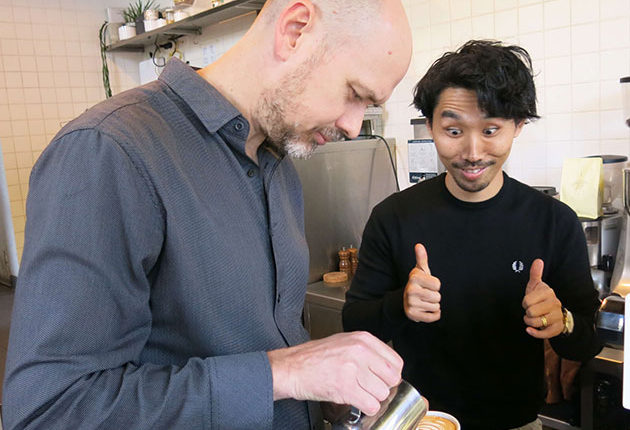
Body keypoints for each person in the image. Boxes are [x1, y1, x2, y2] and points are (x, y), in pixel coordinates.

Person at [1, 1, 413, 429]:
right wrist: (285, 372)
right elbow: (47, 411)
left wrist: (320, 392)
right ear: (295, 29)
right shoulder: (109, 150)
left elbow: (264, 347)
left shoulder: (281, 166)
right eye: (354, 94)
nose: (353, 124)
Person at [342, 40, 602, 430]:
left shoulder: (554, 222)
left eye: (491, 129)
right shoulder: (393, 216)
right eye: (453, 130)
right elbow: (354, 323)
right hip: (422, 421)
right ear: (429, 126)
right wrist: (401, 305)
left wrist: (560, 321)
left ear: (518, 126)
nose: (473, 151)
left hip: (517, 422)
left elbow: (588, 341)